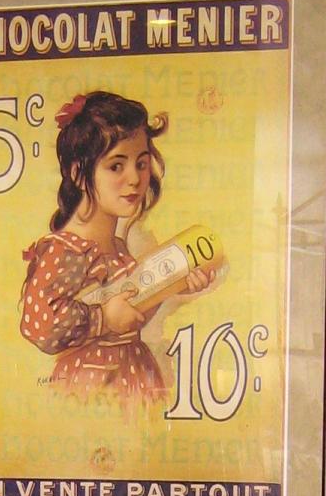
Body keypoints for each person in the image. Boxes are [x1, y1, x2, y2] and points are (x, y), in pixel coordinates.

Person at [19, 90, 208, 403]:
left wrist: (174, 286)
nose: (135, 178)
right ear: (79, 173)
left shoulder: (118, 248)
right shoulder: (66, 250)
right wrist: (103, 319)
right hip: (91, 388)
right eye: (116, 166)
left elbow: (132, 318)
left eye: (141, 163)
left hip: (135, 378)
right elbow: (39, 324)